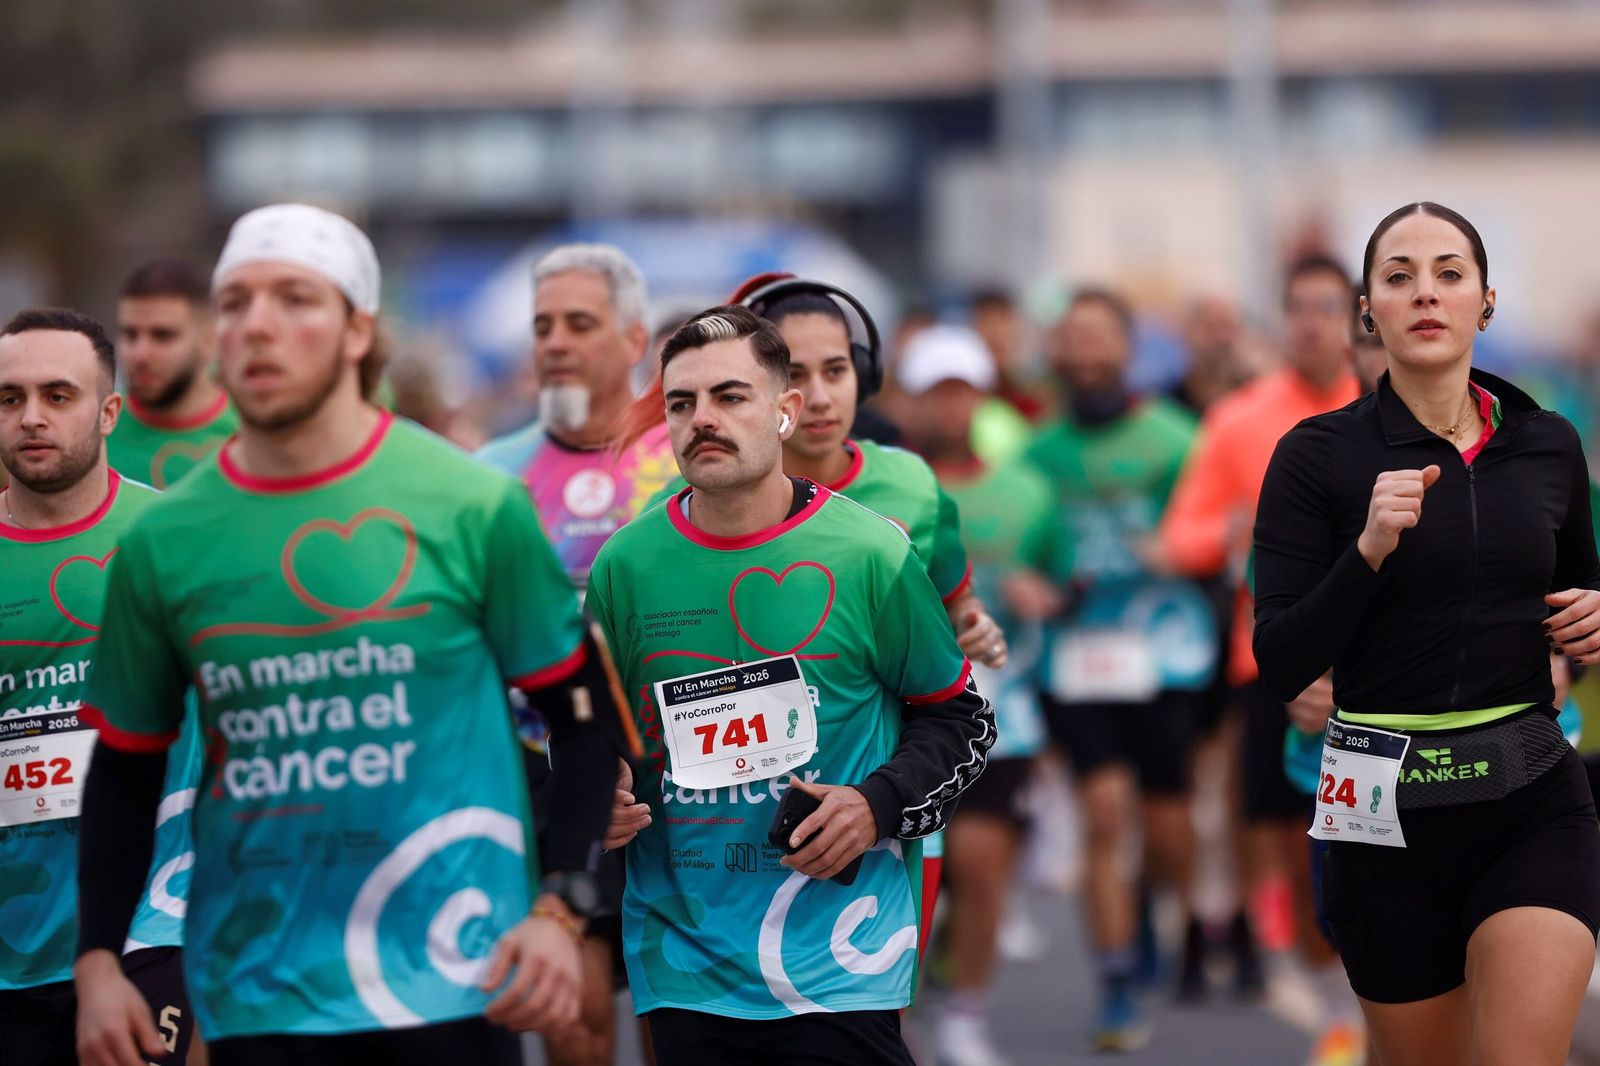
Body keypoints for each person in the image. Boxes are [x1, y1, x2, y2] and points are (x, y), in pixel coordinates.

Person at [70, 203, 621, 1066]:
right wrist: (98, 959)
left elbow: (582, 718)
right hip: (259, 986)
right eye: (238, 302)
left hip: (450, 973)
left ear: (359, 330)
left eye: (296, 299)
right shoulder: (163, 540)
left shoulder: (470, 504)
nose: (259, 325)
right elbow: (126, 764)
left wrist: (561, 907)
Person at [591, 305, 994, 1066]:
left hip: (838, 953)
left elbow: (962, 719)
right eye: (682, 404)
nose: (702, 419)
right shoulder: (627, 564)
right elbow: (588, 728)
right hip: (684, 956)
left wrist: (875, 807)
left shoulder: (870, 554)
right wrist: (592, 787)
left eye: (730, 397)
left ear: (785, 412)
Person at [1254, 201, 1600, 1066]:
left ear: (1486, 301)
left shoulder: (1548, 445)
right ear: (1367, 310)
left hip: (1530, 790)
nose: (1426, 294)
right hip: (1380, 808)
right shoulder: (1315, 456)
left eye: (1450, 273)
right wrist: (1367, 550)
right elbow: (1281, 658)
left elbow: (1580, 592)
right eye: (1398, 277)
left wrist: (1592, 627)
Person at [478, 242, 674, 1066]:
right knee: (576, 1019)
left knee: (682, 1023)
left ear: (633, 340)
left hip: (682, 769)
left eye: (579, 323)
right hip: (552, 769)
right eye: (542, 325)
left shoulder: (682, 462)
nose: (555, 341)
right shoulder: (489, 478)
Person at [1159, 255, 1364, 1040]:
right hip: (1274, 668)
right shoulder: (1240, 419)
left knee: (1375, 842)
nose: (1313, 321)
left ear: (1356, 318)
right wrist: (1227, 532)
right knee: (1296, 841)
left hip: (1379, 666)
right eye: (1299, 307)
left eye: (1328, 306)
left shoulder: (1389, 411)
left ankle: (1381, 1006)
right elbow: (1179, 535)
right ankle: (1340, 1013)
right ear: (1282, 320)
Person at [0, 308, 201, 1066]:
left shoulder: (176, 539)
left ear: (108, 411)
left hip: (153, 927)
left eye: (58, 395)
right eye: (9, 398)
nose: (31, 418)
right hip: (15, 948)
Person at [1017, 287, 1217, 1051]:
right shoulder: (1036, 455)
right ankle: (1116, 979)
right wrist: (1029, 585)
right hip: (1076, 657)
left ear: (1128, 350)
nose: (1086, 352)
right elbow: (1020, 555)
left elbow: (1212, 534)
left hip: (1167, 652)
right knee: (1103, 815)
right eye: (1073, 339)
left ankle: (1148, 914)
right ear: (1057, 355)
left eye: (1101, 337)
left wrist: (1182, 550)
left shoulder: (1175, 440)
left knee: (1168, 829)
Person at [896, 325, 1051, 1066]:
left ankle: (965, 1014)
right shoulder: (886, 491)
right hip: (900, 718)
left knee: (983, 871)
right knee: (912, 886)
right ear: (910, 399)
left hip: (1001, 715)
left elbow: (1064, 578)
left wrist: (1043, 594)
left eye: (962, 391)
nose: (950, 408)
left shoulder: (1026, 490)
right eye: (935, 392)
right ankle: (905, 1006)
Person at [109, 259, 238, 488]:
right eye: (130, 334)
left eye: (163, 336)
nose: (141, 354)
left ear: (210, 341)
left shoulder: (249, 439)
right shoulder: (93, 430)